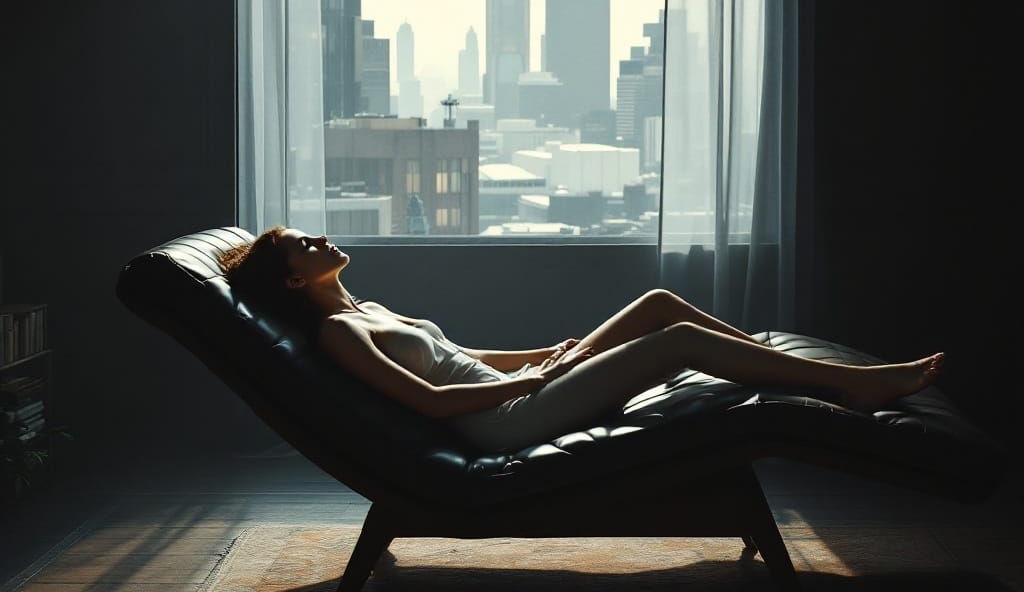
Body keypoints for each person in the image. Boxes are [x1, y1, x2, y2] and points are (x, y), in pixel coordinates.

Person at [219, 226, 945, 454]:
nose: (320, 238)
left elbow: (459, 355)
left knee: (657, 303)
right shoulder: (342, 331)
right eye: (303, 246)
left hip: (517, 389)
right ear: (292, 283)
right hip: (500, 422)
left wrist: (544, 354)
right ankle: (845, 385)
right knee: (676, 341)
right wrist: (534, 383)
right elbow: (437, 399)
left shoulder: (369, 305)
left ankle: (773, 364)